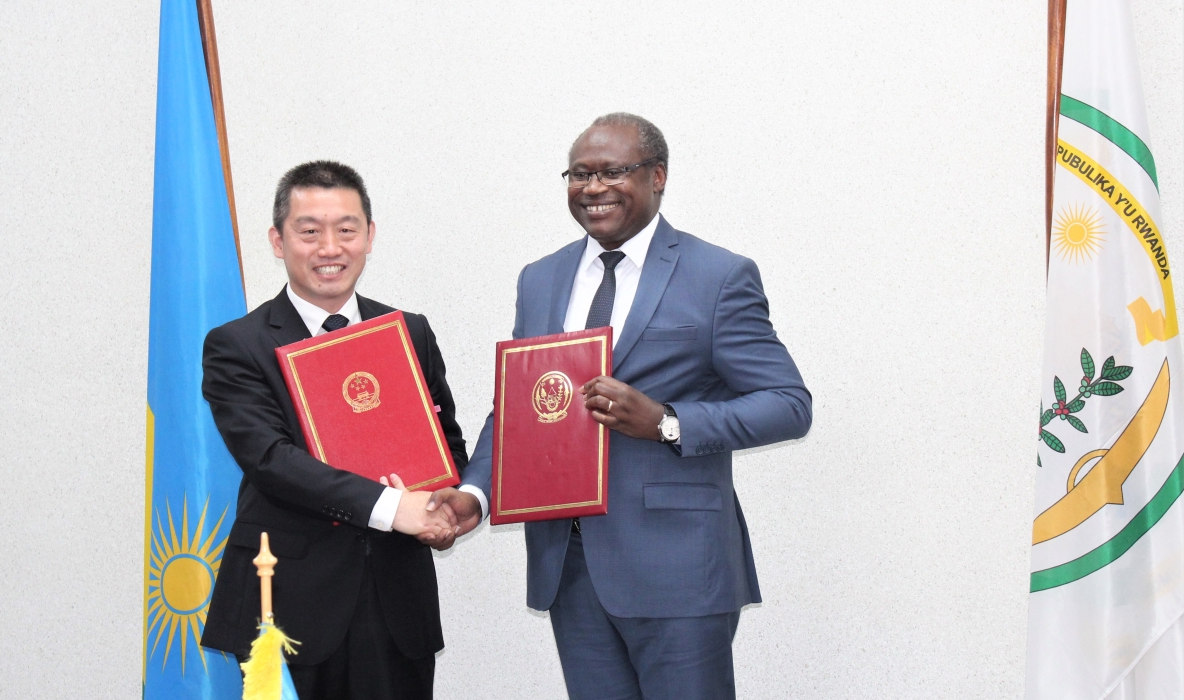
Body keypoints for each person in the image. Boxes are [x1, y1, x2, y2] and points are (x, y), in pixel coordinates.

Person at [431, 113, 812, 699]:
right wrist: (475, 494)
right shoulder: (541, 278)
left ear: (657, 177)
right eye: (579, 174)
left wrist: (665, 422)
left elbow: (788, 404)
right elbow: (520, 407)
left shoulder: (718, 275)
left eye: (613, 172)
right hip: (569, 567)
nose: (593, 188)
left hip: (679, 569)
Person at [199, 161, 465, 700]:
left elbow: (447, 447)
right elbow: (271, 461)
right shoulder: (237, 344)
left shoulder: (407, 330)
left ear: (369, 236)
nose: (330, 248)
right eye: (309, 231)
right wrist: (398, 510)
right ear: (278, 240)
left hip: (396, 605)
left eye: (347, 229)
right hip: (287, 604)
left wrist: (446, 505)